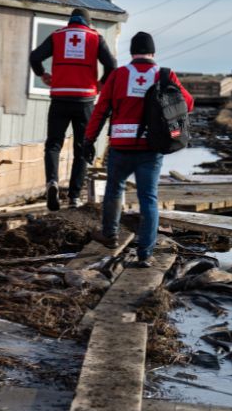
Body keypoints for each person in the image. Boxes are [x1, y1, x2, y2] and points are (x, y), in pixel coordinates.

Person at [82, 32, 194, 267]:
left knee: (114, 191)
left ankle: (110, 235)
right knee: (148, 199)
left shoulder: (118, 75)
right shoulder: (164, 75)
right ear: (153, 52)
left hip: (121, 146)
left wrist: (88, 140)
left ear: (132, 52)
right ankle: (145, 254)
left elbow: (101, 110)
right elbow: (188, 103)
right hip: (150, 148)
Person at [29, 8, 117, 210]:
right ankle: (74, 197)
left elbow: (35, 57)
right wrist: (102, 83)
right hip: (84, 99)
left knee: (53, 144)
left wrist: (42, 74)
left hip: (59, 97)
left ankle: (52, 181)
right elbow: (112, 64)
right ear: (88, 22)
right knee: (82, 147)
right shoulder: (95, 38)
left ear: (71, 21)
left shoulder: (58, 36)